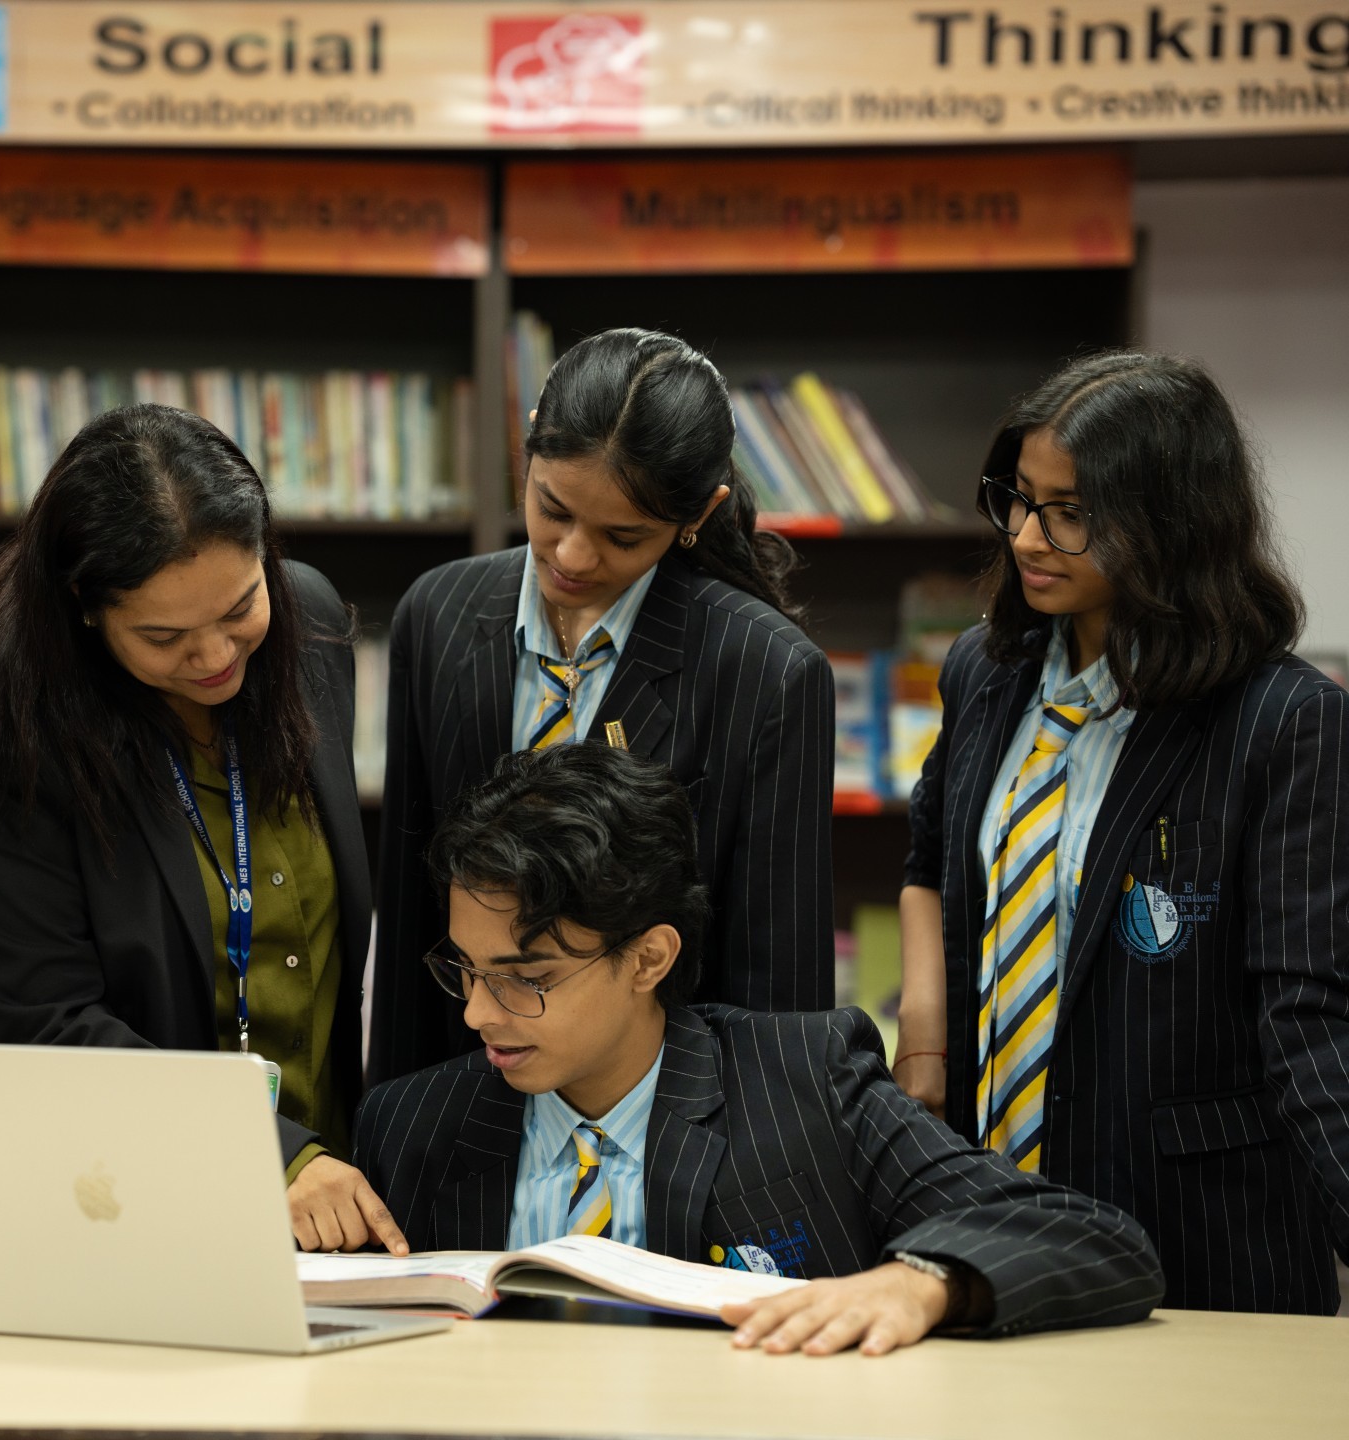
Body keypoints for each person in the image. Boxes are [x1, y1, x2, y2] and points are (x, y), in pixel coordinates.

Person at [349, 743, 1163, 1354]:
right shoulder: (413, 1126)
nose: (478, 1014)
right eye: (467, 970)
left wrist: (922, 1285)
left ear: (649, 958)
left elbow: (1093, 1239)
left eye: (526, 978)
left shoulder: (804, 1082)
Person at [896, 352, 1349, 1314]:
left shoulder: (1281, 720)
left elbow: (1305, 1008)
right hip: (989, 1207)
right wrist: (926, 1052)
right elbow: (929, 861)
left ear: (1173, 523)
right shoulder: (985, 669)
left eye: (1071, 512)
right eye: (1016, 499)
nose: (1028, 537)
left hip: (1199, 1234)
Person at [0, 403, 391, 1252]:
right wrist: (266, 1152)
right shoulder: (5, 719)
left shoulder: (309, 628)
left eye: (240, 607)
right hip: (90, 1207)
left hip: (319, 1213)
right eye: (164, 635)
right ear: (86, 610)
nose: (214, 657)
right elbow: (41, 1021)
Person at [369, 328, 833, 1088]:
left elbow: (777, 985)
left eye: (624, 536)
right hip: (463, 1109)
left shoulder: (767, 672)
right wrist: (392, 1129)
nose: (574, 556)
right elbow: (412, 917)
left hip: (669, 1125)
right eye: (553, 510)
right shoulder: (440, 614)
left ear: (699, 513)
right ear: (527, 452)